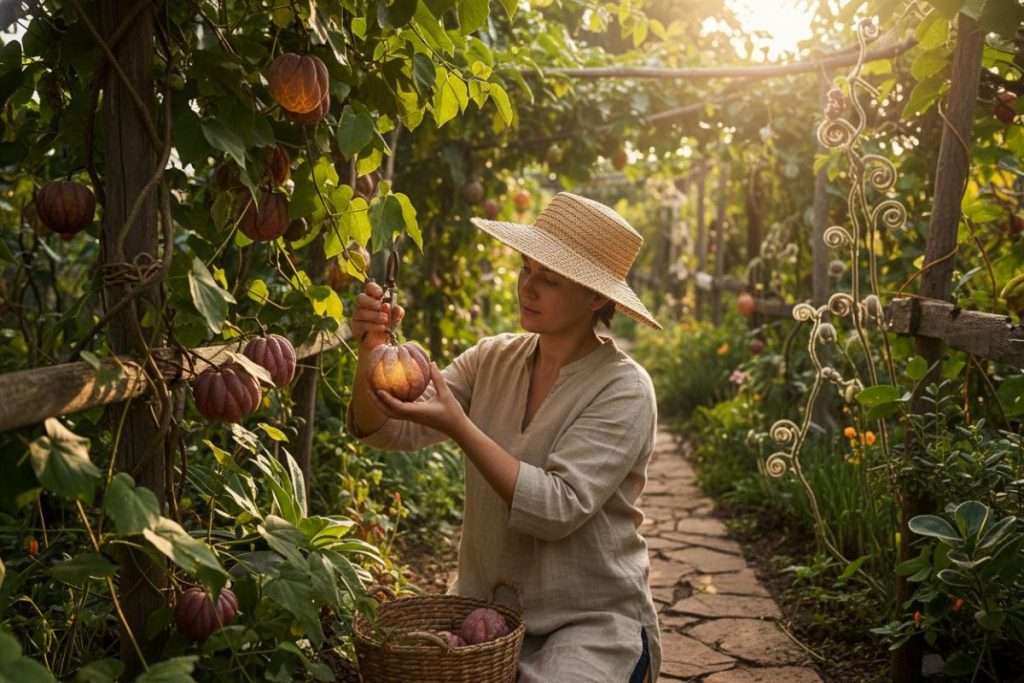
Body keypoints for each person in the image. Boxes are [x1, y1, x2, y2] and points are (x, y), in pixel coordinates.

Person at [346, 192, 663, 682]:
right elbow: (387, 427)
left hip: (587, 624)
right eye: (526, 269)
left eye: (549, 280)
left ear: (596, 297)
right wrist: (373, 349)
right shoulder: (492, 358)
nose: (528, 288)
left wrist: (460, 427)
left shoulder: (624, 389)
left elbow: (557, 509)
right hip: (483, 617)